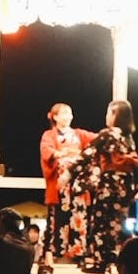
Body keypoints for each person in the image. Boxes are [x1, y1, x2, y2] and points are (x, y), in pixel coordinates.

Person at [66, 100, 138, 273]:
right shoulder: (128, 139)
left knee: (100, 223)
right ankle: (120, 262)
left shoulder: (108, 134)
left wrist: (69, 173)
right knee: (117, 224)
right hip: (126, 186)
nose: (106, 116)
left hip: (110, 184)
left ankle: (101, 262)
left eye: (109, 113)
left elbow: (88, 153)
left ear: (116, 115)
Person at [38, 102, 97, 264]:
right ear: (55, 117)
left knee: (78, 217)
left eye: (69, 113)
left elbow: (97, 139)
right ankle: (55, 254)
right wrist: (59, 154)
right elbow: (46, 152)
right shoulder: (49, 135)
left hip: (77, 186)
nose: (68, 116)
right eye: (64, 113)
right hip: (60, 186)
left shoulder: (78, 134)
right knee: (58, 219)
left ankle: (77, 253)